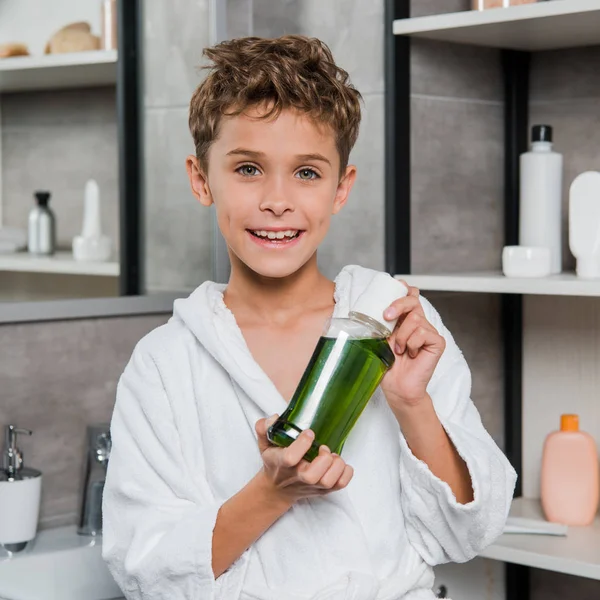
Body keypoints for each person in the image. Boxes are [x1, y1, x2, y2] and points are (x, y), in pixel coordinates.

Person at [102, 35, 517, 600]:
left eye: (307, 173)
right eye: (248, 168)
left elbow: (470, 530)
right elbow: (144, 568)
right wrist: (274, 490)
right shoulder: (165, 364)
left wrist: (411, 403)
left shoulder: (391, 323)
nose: (278, 200)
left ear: (341, 188)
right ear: (202, 179)